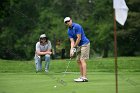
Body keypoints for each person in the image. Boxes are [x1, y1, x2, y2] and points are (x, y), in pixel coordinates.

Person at [64, 17, 90, 82]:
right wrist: (71, 50)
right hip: (78, 45)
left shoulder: (77, 26)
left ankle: (84, 77)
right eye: (66, 22)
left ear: (71, 20)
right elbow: (72, 41)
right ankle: (81, 76)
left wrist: (74, 47)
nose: (67, 22)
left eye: (68, 21)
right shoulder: (69, 31)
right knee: (78, 60)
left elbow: (79, 38)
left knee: (82, 59)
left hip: (85, 44)